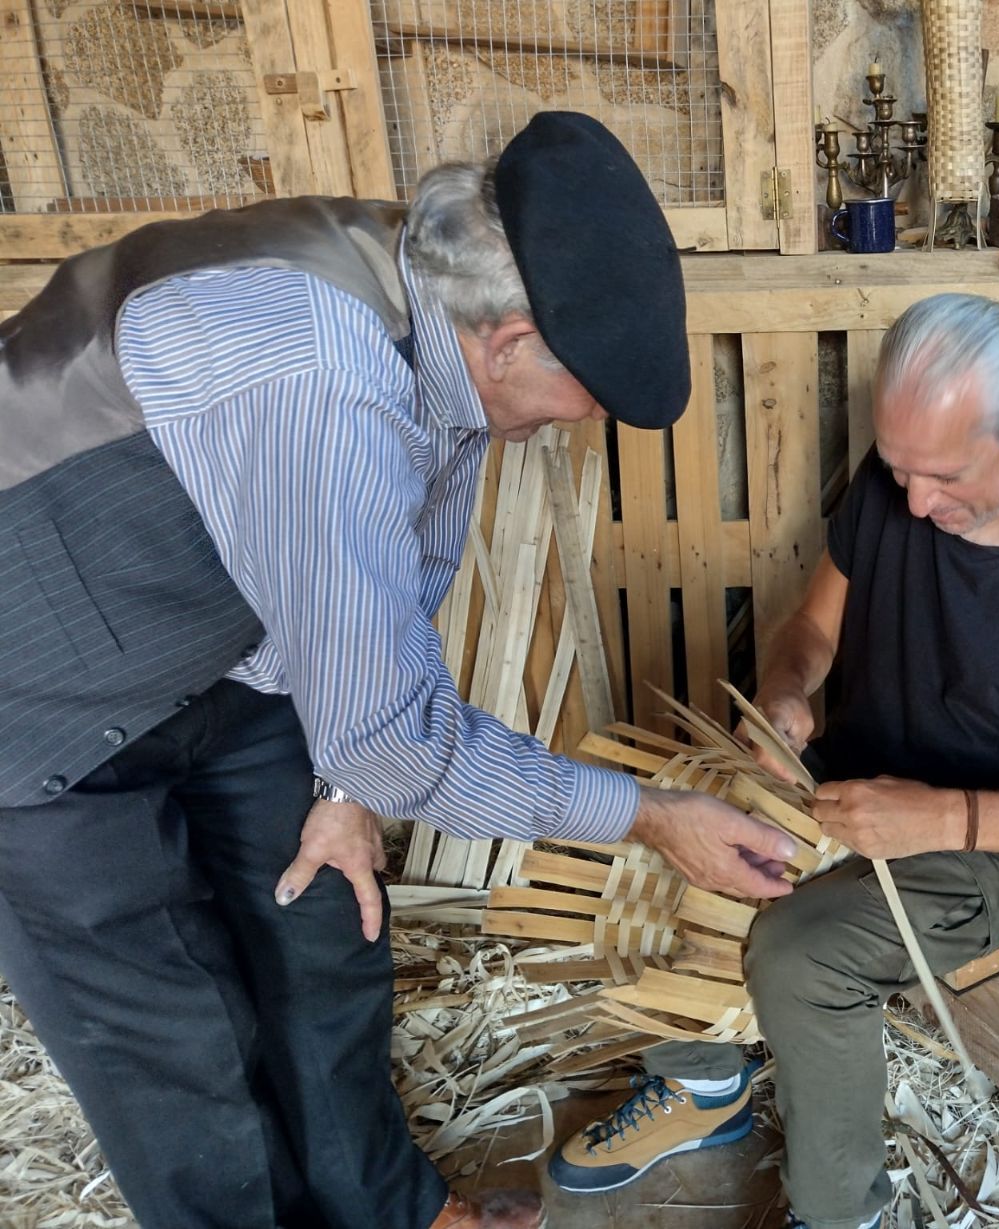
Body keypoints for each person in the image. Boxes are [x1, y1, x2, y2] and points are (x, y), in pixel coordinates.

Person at [0, 112, 796, 1229]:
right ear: (513, 341)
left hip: (226, 661)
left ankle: (400, 1215)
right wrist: (650, 813)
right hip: (35, 688)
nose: (577, 427)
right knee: (175, 1040)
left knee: (326, 927)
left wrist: (342, 794)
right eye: (587, 398)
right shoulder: (327, 368)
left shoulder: (435, 313)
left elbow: (391, 600)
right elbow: (388, 731)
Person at [547, 293, 999, 1229]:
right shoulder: (896, 485)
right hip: (847, 791)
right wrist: (787, 694)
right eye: (898, 471)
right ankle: (706, 1083)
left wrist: (943, 818)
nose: (916, 503)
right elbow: (812, 626)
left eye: (940, 474)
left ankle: (840, 1210)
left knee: (802, 954)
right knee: (650, 841)